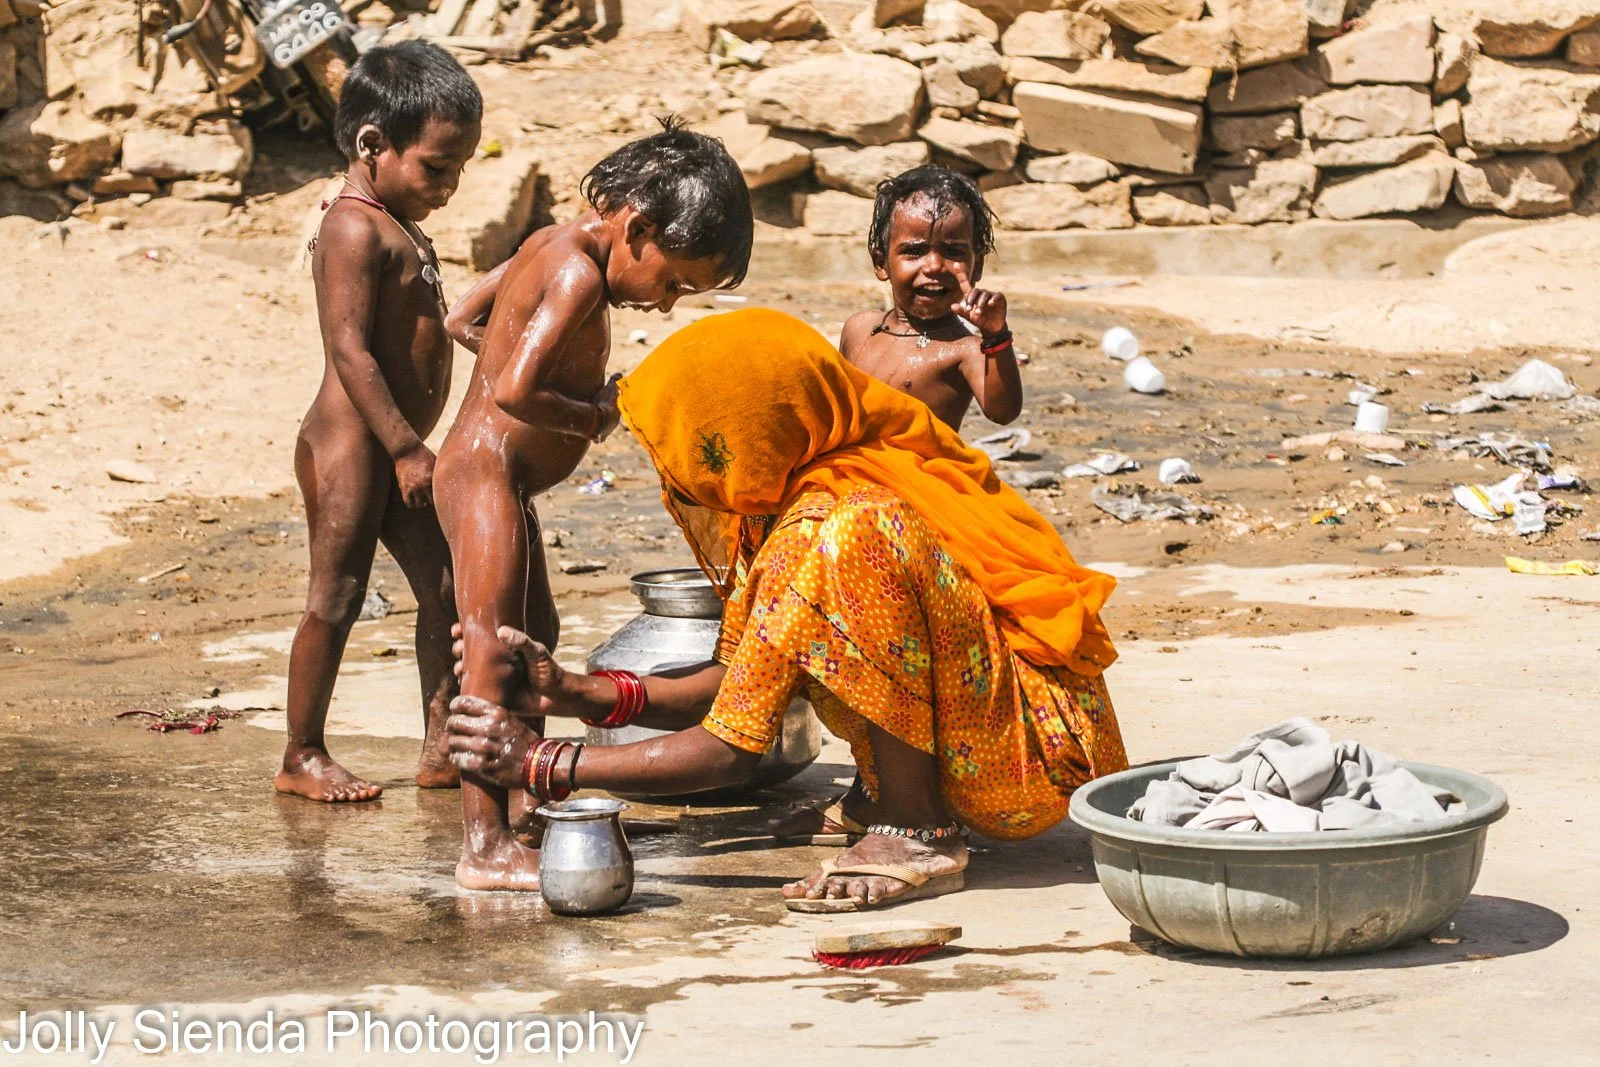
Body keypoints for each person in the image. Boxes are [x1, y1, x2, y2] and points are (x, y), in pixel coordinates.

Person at [443, 309, 1127, 910]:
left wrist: (540, 761)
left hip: (1031, 762)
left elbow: (731, 750)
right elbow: (740, 686)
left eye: (690, 450)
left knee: (859, 544)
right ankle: (885, 793)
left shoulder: (842, 516)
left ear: (746, 436)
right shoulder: (805, 492)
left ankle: (917, 828)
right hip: (997, 738)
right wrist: (575, 691)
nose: (676, 478)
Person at [433, 120, 754, 891]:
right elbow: (513, 389)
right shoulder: (577, 277)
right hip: (484, 474)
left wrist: (523, 353)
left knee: (531, 635)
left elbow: (462, 320)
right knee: (491, 647)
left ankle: (522, 795)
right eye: (673, 281)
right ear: (637, 229)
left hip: (498, 475)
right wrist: (592, 411)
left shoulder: (551, 241)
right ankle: (482, 844)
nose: (668, 303)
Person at [277, 41, 482, 804]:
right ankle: (302, 753)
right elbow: (349, 349)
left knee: (449, 586)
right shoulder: (352, 227)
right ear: (372, 145)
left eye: (460, 168)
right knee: (335, 596)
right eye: (436, 167)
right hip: (354, 445)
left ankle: (442, 745)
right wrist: (403, 445)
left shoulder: (397, 221)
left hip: (397, 448)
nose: (451, 186)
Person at [838, 165, 1022, 433]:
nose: (935, 266)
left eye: (952, 251)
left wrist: (996, 336)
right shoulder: (859, 328)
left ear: (977, 266)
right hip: (852, 468)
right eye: (915, 251)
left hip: (920, 471)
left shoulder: (964, 350)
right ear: (881, 263)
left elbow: (1002, 412)